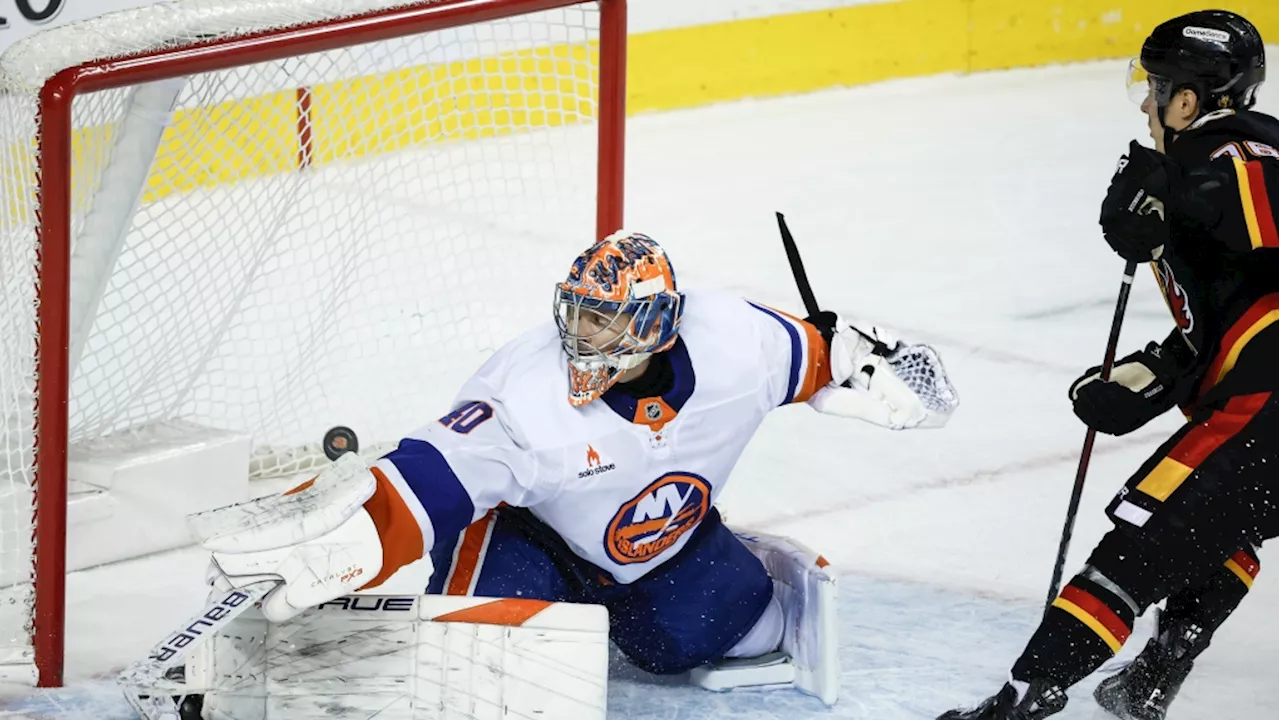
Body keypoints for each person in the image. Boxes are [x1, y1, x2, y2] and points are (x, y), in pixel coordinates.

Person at [198, 230, 957, 703]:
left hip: (659, 541)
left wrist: (879, 368)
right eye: (577, 310)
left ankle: (715, 564)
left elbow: (827, 356)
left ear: (657, 327)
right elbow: (427, 483)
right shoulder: (527, 395)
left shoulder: (736, 342)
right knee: (487, 672)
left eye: (602, 318)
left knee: (735, 635)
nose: (578, 332)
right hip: (529, 535)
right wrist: (356, 535)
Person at [938, 10, 1280, 720]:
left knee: (1139, 546)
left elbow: (1258, 211)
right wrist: (1153, 377)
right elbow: (1229, 314)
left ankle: (1021, 703)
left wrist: (1185, 198)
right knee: (1216, 525)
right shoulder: (1205, 165)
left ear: (1188, 98)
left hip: (1269, 412)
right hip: (1262, 417)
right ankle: (1153, 677)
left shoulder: (1237, 157)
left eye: (1155, 87)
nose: (1149, 103)